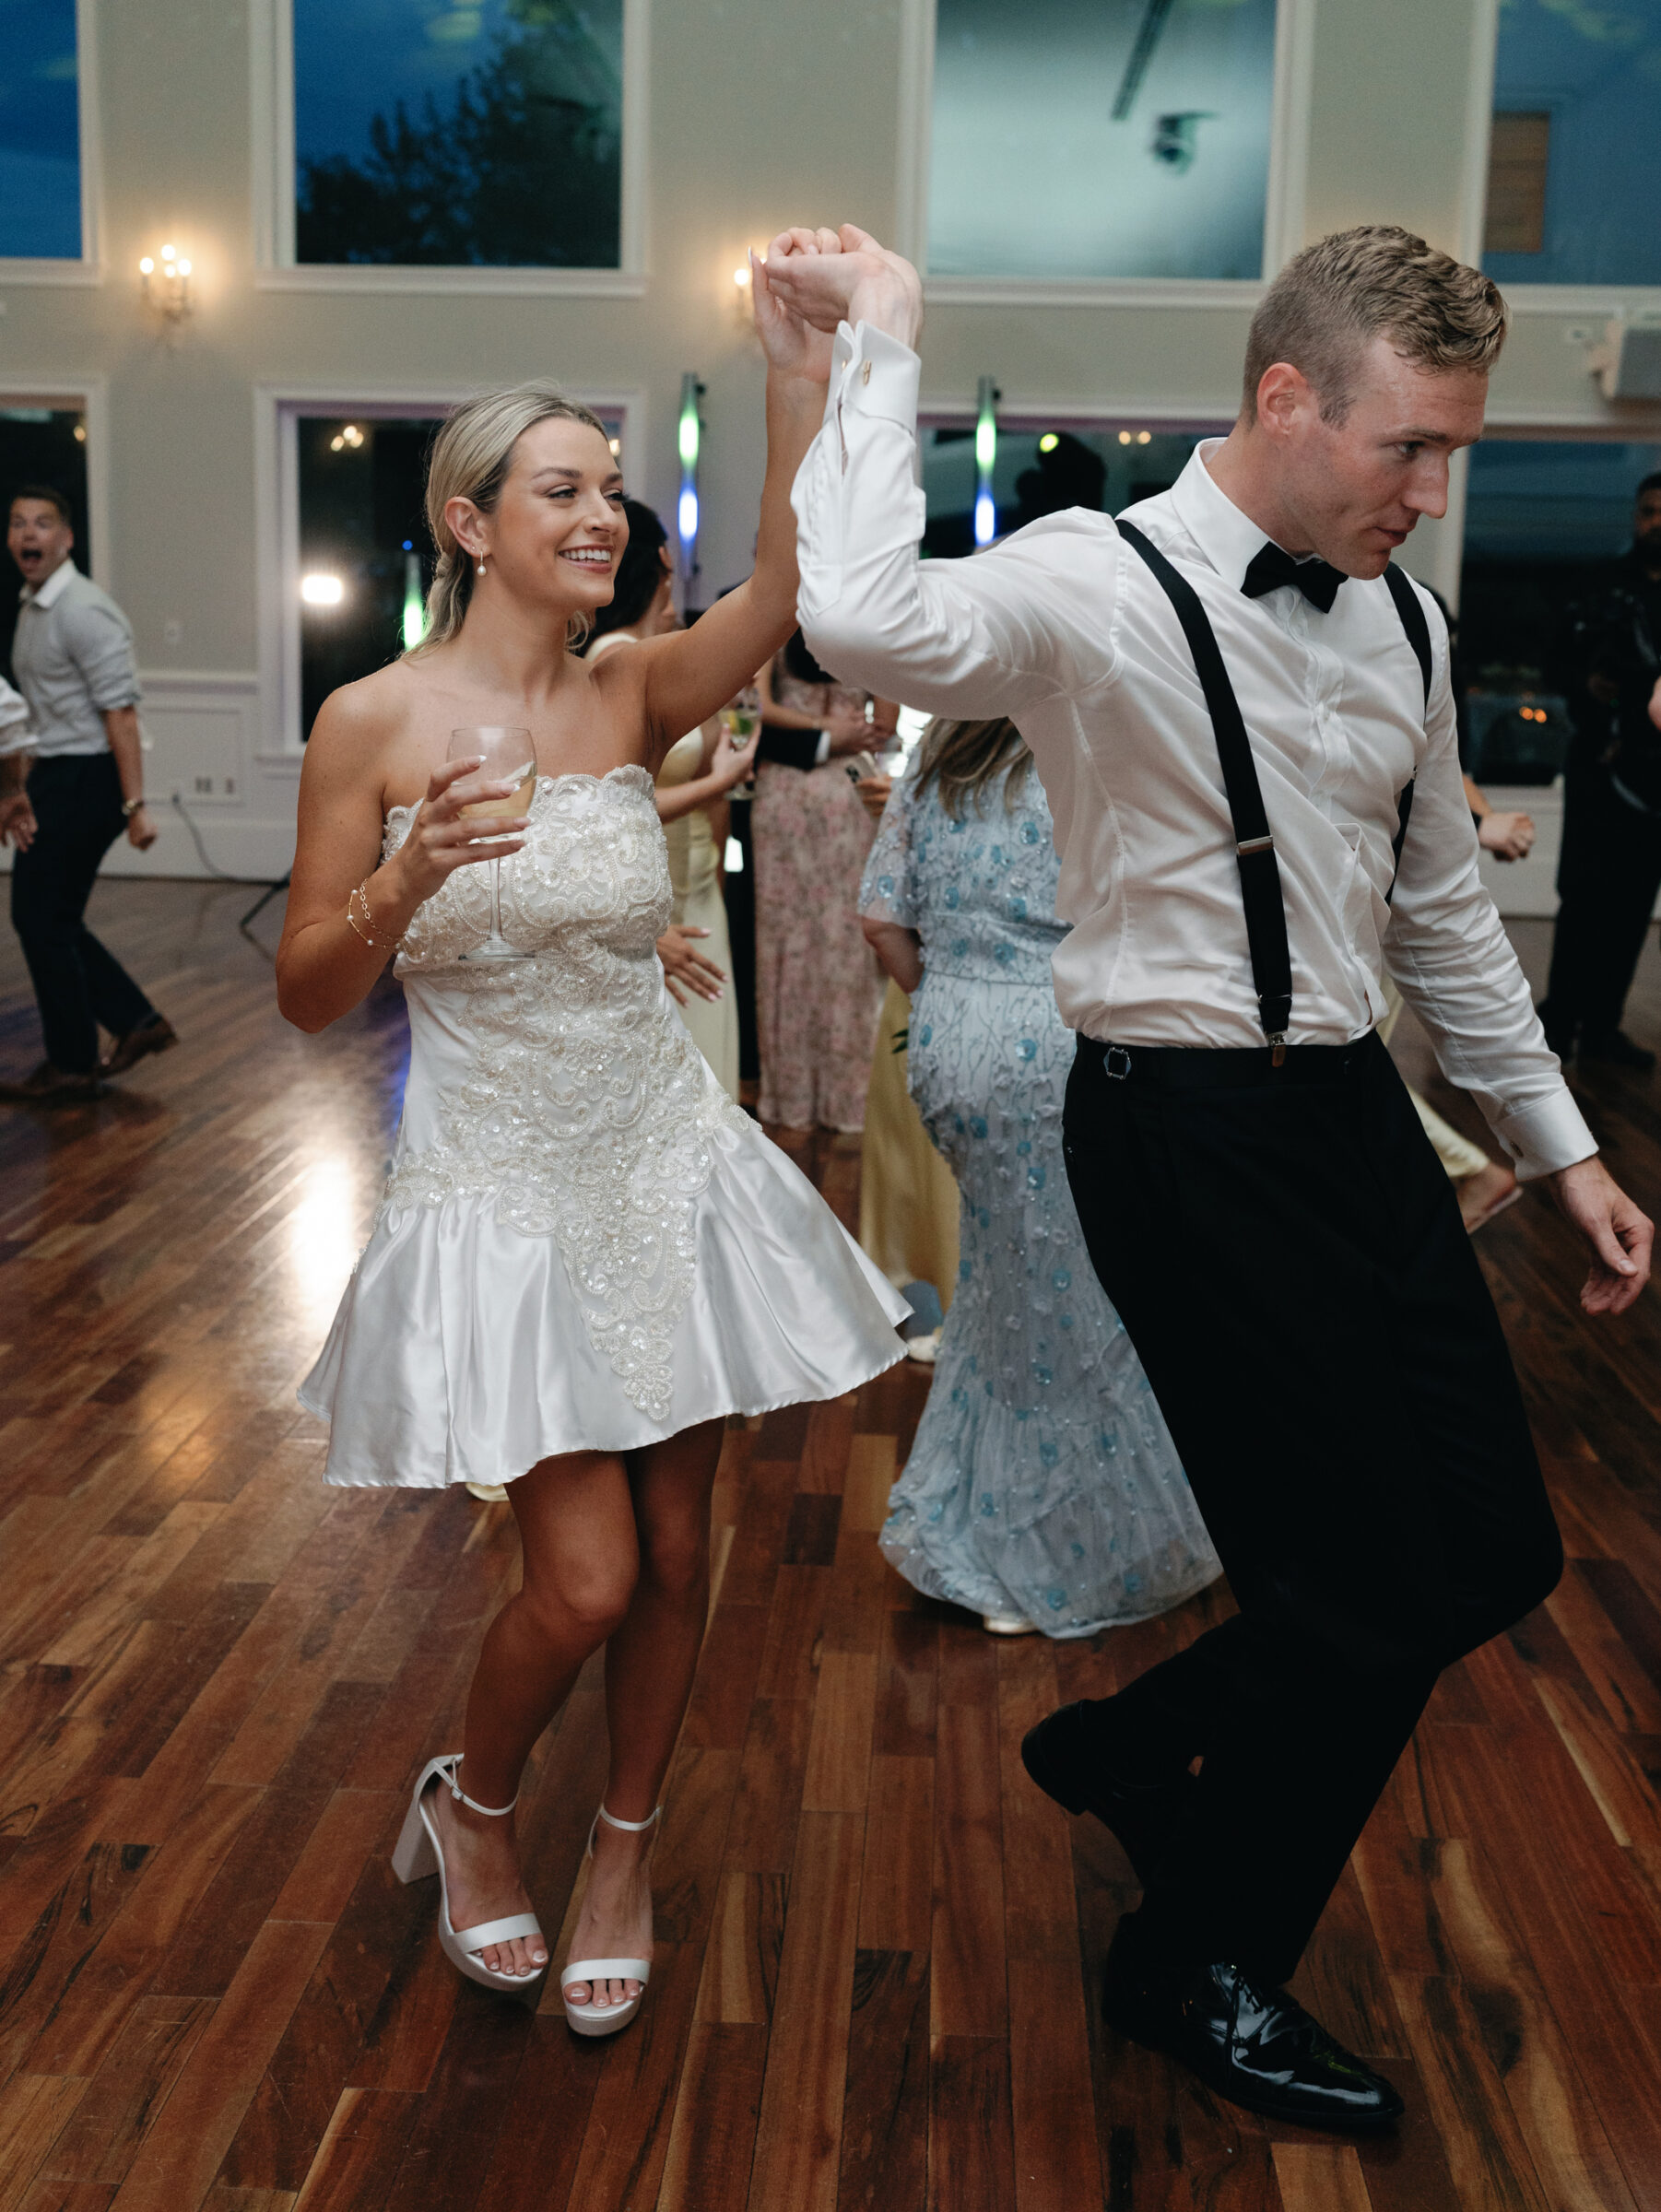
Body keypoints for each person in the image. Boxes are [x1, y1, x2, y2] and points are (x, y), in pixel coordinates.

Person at [772, 220, 1651, 2133]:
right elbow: (853, 626)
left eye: (1455, 456)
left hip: (1351, 1119)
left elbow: (1440, 923)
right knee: (1345, 1597)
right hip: (1177, 1125)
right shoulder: (1097, 583)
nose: (1431, 494)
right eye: (1407, 448)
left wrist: (1557, 1146)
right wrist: (885, 337)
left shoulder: (1402, 622)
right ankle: (1197, 1959)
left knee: (1491, 1546)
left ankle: (1134, 1738)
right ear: (1282, 397)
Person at [277, 248, 907, 2037]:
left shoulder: (632, 691)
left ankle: (619, 1845)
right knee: (584, 1572)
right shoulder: (372, 726)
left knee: (683, 1543)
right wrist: (405, 874)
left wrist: (793, 374)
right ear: (467, 521)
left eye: (613, 489)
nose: (604, 514)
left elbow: (781, 586)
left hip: (658, 1159)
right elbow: (309, 994)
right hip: (499, 1183)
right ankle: (476, 1812)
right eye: (563, 489)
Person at [860, 716, 1219, 1635]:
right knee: (1072, 1310)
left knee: (1004, 1290)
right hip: (1056, 1047)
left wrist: (951, 998)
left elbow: (879, 917)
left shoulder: (942, 747)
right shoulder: (1092, 746)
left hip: (949, 1039)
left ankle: (988, 1518)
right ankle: (1037, 1558)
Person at [579, 497, 758, 1098]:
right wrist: (719, 781)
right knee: (681, 1084)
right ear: (660, 561)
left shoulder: (656, 654)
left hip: (697, 886)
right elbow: (602, 806)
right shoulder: (615, 663)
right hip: (656, 903)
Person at [0, 487, 174, 1103]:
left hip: (89, 775)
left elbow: (120, 712)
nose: (29, 534)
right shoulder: (33, 605)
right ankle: (136, 1023)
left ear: (66, 539)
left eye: (43, 524)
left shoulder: (82, 608)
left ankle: (74, 1062)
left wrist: (136, 807)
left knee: (40, 916)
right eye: (19, 523)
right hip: (56, 772)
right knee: (50, 917)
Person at [1537, 471, 1661, 1071]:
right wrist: (1590, 686)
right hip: (1597, 765)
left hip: (1655, 777)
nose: (1656, 522)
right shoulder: (1599, 586)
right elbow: (1556, 664)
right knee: (1583, 896)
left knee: (1634, 903)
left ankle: (1604, 1026)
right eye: (1648, 511)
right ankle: (1559, 1019)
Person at [750, 628, 892, 1133]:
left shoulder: (786, 623)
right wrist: (833, 729)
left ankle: (805, 1093)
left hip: (804, 791)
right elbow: (886, 722)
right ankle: (841, 1096)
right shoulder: (857, 626)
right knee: (830, 941)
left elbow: (758, 703)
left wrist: (824, 727)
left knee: (806, 941)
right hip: (830, 787)